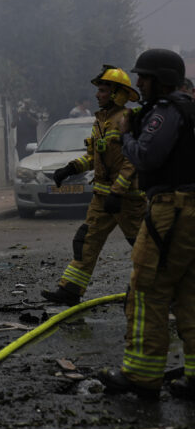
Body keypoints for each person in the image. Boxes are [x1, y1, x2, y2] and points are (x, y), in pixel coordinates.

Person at [96, 49, 195, 400]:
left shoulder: (167, 112)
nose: (138, 83)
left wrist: (126, 135)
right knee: (187, 292)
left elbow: (147, 156)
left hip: (172, 209)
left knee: (148, 288)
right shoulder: (189, 107)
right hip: (189, 210)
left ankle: (141, 375)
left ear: (162, 80)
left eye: (145, 77)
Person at [42, 66, 143, 306]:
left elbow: (132, 161)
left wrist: (117, 192)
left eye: (103, 90)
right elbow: (94, 157)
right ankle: (70, 290)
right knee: (85, 241)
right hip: (102, 199)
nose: (97, 95)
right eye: (98, 90)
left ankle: (165, 291)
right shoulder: (101, 121)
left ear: (117, 94)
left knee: (145, 247)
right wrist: (69, 169)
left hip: (127, 200)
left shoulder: (128, 120)